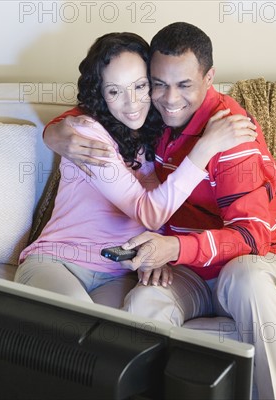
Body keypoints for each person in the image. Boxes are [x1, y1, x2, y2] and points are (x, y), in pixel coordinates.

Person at [44, 23, 276, 400]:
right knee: (144, 301)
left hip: (257, 261)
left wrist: (174, 249)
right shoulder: (154, 122)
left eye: (184, 85)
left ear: (209, 77)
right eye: (158, 84)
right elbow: (105, 107)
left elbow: (252, 237)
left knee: (247, 279)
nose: (169, 98)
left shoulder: (231, 135)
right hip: (189, 271)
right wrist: (55, 130)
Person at [16, 32, 256, 309]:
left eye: (140, 86)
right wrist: (204, 149)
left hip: (117, 273)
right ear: (101, 94)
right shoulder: (87, 134)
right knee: (79, 323)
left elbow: (170, 201)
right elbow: (149, 212)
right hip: (58, 262)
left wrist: (158, 254)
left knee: (121, 338)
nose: (131, 104)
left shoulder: (158, 134)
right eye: (114, 91)